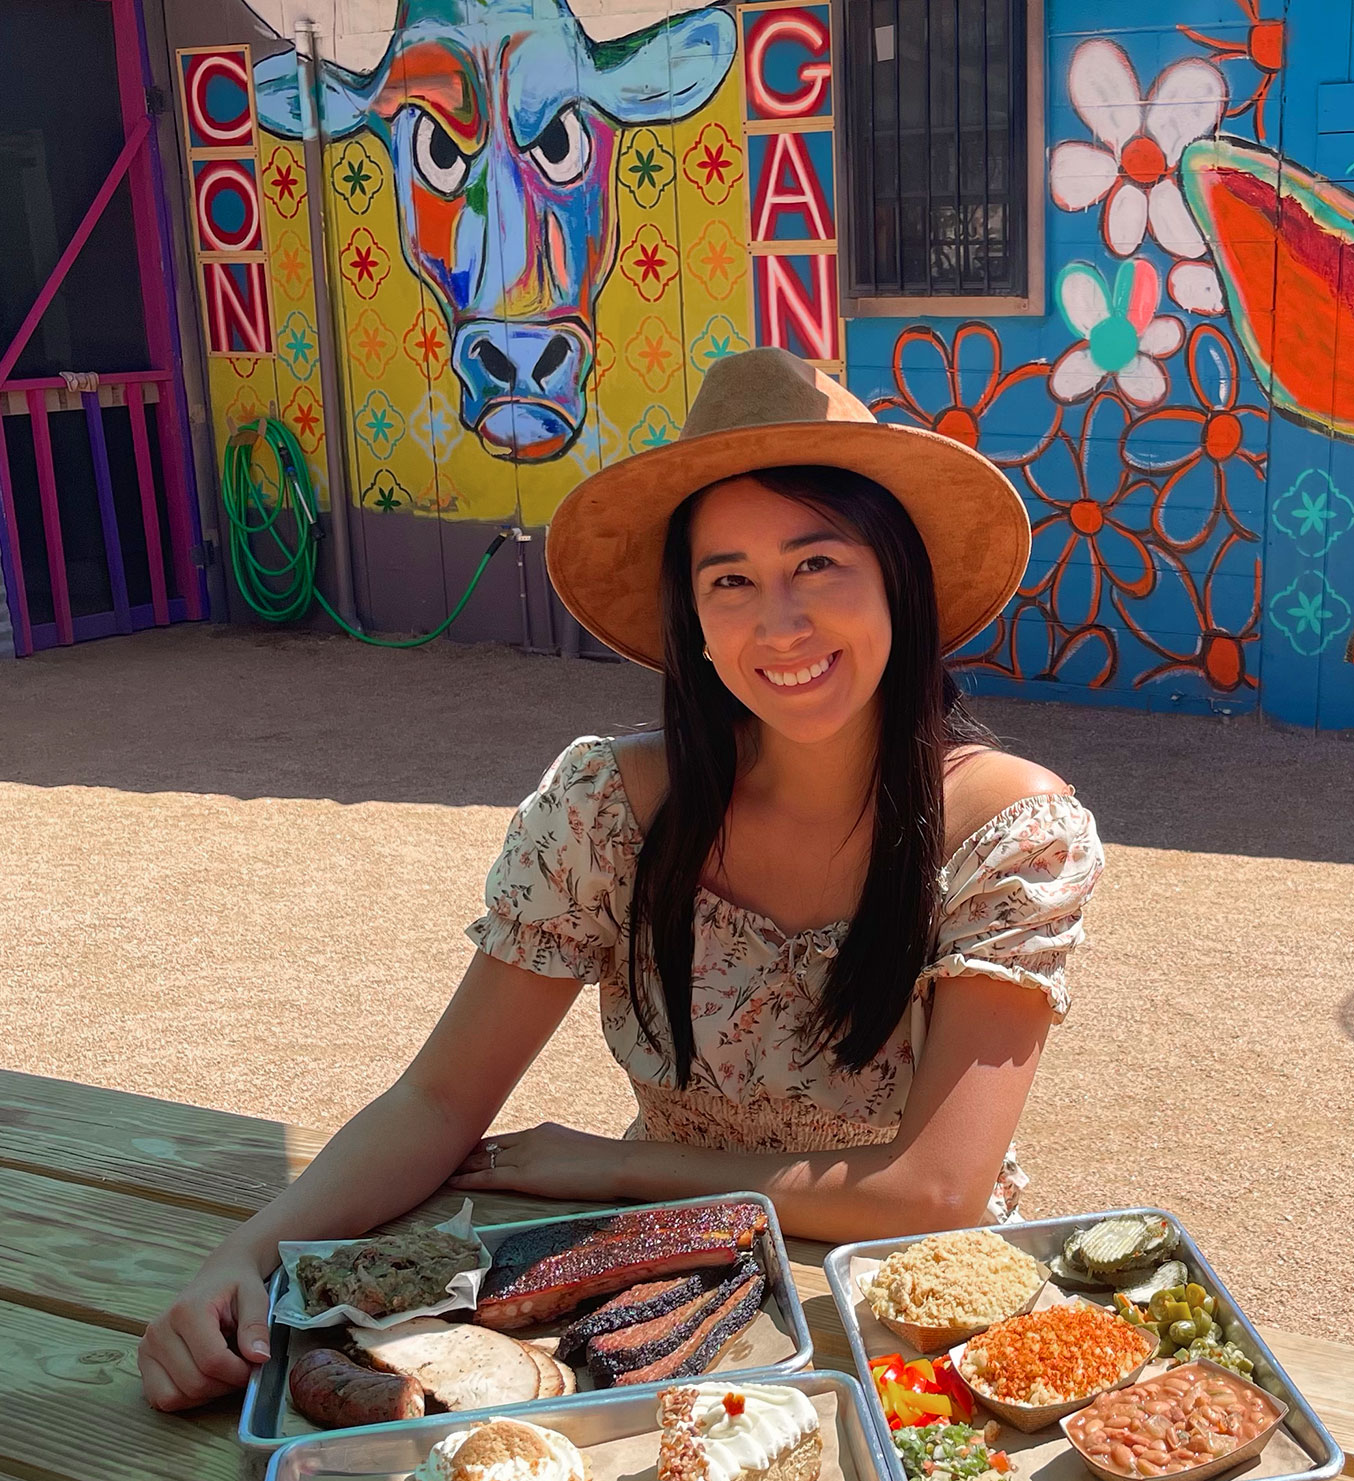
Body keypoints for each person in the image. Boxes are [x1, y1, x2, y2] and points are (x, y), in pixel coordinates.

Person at [139, 348, 1104, 1412]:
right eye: (728, 579)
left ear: (898, 578)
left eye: (818, 564)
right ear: (691, 619)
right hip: (669, 1288)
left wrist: (616, 1167)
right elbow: (439, 1097)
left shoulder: (1013, 831)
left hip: (916, 1315)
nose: (778, 622)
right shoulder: (610, 807)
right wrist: (248, 1259)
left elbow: (933, 1192)